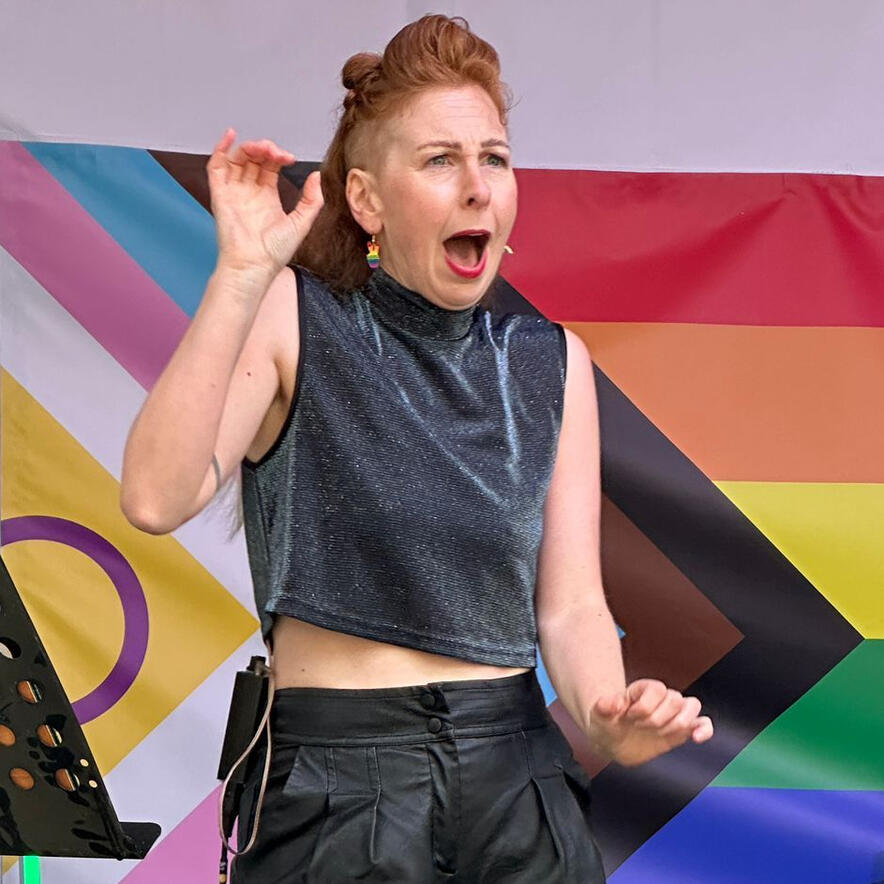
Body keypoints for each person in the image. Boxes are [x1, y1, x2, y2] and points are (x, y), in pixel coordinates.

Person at [120, 14, 713, 883]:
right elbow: (153, 498)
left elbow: (572, 605)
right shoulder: (294, 316)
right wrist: (242, 275)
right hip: (340, 789)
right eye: (440, 160)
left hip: (518, 781)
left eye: (495, 158)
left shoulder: (552, 361)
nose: (477, 188)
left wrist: (602, 715)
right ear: (366, 200)